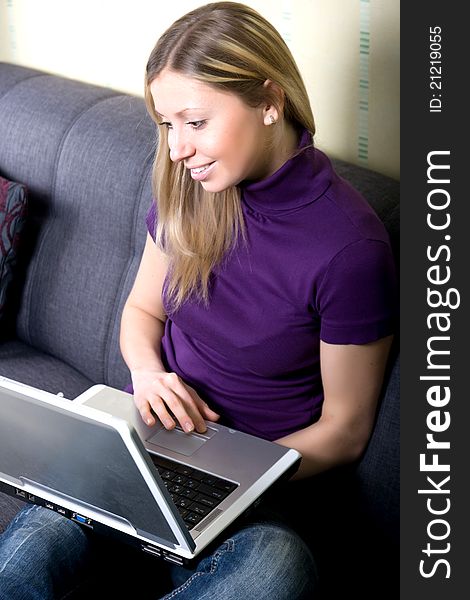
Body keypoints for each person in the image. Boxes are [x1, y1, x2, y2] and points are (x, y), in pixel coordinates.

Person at [0, 2, 398, 598]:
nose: (178, 148)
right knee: (38, 544)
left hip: (258, 483)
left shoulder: (350, 248)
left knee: (276, 569)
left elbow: (344, 430)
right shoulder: (190, 189)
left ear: (270, 100)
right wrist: (148, 372)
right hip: (146, 444)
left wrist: (228, 477)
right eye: (166, 124)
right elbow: (141, 313)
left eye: (194, 121)